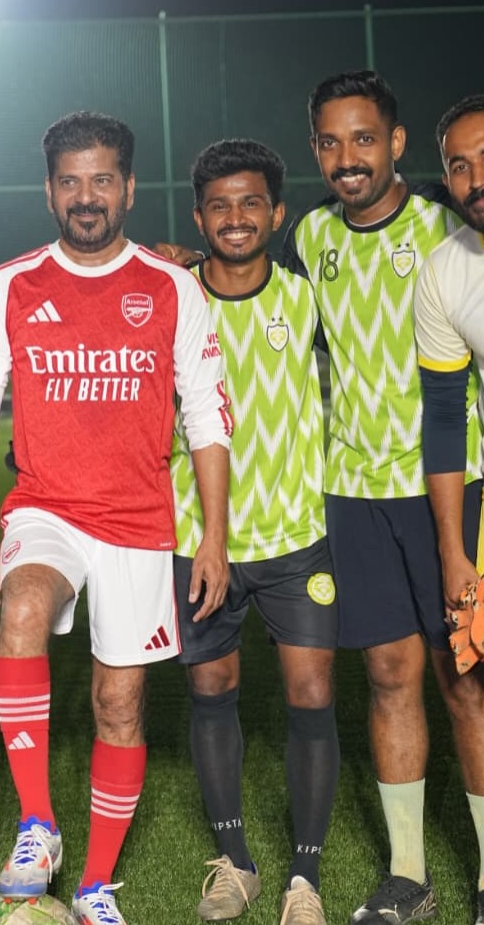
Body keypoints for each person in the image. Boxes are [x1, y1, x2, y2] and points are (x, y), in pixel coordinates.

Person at [0, 111, 232, 925]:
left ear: (129, 188)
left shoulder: (171, 286)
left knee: (119, 702)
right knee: (21, 610)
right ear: (48, 192)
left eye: (101, 179)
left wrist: (212, 538)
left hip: (139, 522)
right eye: (70, 181)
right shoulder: (10, 284)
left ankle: (94, 885)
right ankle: (38, 825)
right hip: (45, 504)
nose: (86, 196)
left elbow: (207, 418)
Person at [284, 70, 484, 925]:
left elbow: (449, 395)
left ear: (396, 144)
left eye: (363, 138)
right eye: (330, 142)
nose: (347, 158)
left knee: (466, 679)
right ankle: (408, 874)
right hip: (352, 491)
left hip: (448, 485)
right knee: (385, 674)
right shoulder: (307, 236)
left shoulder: (447, 226)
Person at [167, 139, 337, 925]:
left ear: (276, 212)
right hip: (197, 537)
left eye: (250, 203)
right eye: (218, 205)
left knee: (312, 691)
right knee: (211, 690)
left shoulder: (306, 298)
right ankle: (236, 864)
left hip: (295, 533)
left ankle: (304, 877)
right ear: (197, 217)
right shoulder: (172, 297)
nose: (234, 218)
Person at [413, 92, 484, 925]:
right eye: (460, 166)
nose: (478, 178)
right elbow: (443, 417)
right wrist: (452, 548)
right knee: (480, 681)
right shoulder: (446, 269)